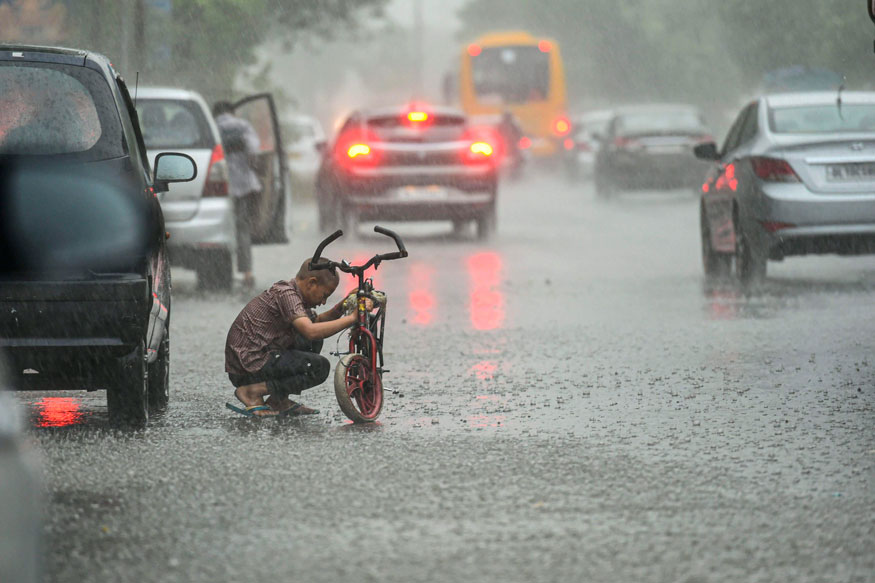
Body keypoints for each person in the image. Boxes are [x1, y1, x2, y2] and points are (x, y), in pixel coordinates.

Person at [224, 258, 369, 417]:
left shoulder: (294, 294)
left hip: (258, 359)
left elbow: (317, 322)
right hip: (248, 367)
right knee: (319, 367)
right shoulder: (287, 295)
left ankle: (278, 400)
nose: (323, 301)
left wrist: (344, 305)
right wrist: (352, 318)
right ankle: (252, 392)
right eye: (324, 295)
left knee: (313, 340)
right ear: (311, 283)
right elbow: (311, 331)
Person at [213, 101, 260, 289]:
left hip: (217, 186)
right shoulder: (242, 126)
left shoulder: (212, 126)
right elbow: (254, 150)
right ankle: (247, 273)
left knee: (217, 230)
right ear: (232, 111)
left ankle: (217, 273)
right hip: (244, 185)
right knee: (243, 229)